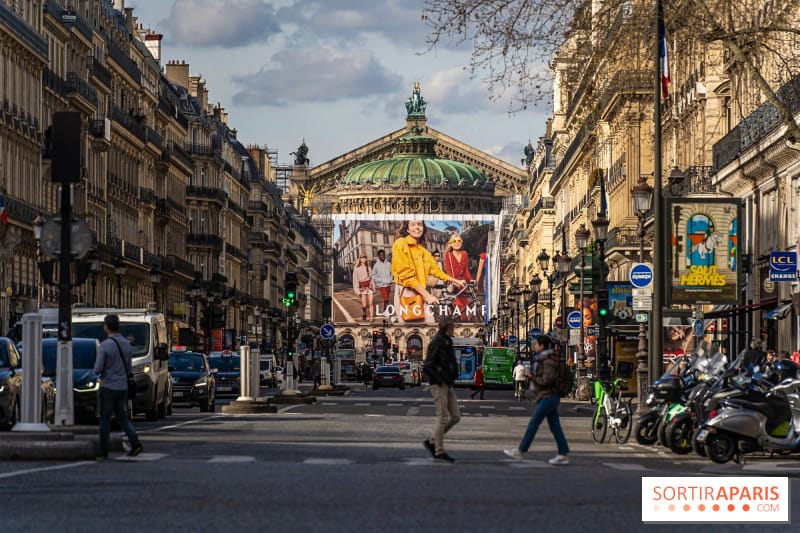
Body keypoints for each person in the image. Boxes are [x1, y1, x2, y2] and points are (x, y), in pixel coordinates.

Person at [504, 335, 570, 465]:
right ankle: (563, 453)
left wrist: (533, 378)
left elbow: (547, 379)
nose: (534, 347)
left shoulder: (547, 361)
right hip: (548, 396)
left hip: (548, 396)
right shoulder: (544, 359)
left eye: (536, 344)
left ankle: (521, 450)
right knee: (555, 426)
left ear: (542, 346)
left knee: (534, 423)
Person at [391, 220, 465, 324]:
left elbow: (437, 271)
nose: (417, 227)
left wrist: (456, 281)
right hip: (407, 292)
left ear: (423, 229)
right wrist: (427, 296)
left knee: (430, 324)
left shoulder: (423, 251)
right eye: (413, 224)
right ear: (407, 229)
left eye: (420, 224)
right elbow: (406, 276)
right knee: (411, 329)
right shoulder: (400, 243)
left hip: (421, 291)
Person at [93, 314, 143, 460]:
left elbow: (98, 368)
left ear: (106, 326)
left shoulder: (105, 345)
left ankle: (103, 450)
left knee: (105, 419)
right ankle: (135, 442)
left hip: (108, 386)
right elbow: (129, 368)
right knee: (122, 416)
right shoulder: (126, 345)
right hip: (122, 387)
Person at [422, 319, 460, 463]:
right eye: (452, 327)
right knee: (443, 417)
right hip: (439, 384)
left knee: (456, 416)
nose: (454, 329)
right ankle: (438, 450)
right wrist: (438, 380)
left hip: (447, 383)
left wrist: (452, 376)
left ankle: (432, 440)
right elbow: (428, 365)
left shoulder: (447, 341)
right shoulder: (437, 342)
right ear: (447, 328)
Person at [443, 232, 473, 321]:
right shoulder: (448, 255)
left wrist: (471, 280)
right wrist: (454, 281)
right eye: (454, 241)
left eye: (459, 240)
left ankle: (462, 322)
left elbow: (466, 269)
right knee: (458, 306)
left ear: (461, 242)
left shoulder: (464, 253)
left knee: (465, 306)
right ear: (451, 243)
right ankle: (457, 322)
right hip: (454, 283)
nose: (457, 243)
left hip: (463, 284)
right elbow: (448, 271)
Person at [352, 254, 375, 321]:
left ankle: (371, 318)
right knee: (364, 305)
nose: (363, 259)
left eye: (365, 257)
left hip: (369, 287)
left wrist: (373, 287)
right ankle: (364, 313)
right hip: (362, 288)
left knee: (371, 303)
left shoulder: (368, 267)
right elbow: (355, 281)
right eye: (362, 258)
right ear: (359, 259)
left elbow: (371, 278)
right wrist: (357, 291)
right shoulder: (356, 269)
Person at [372, 249, 393, 315]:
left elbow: (392, 272)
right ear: (379, 256)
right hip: (381, 285)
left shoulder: (389, 263)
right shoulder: (376, 265)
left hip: (388, 284)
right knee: (386, 298)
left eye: (383, 255)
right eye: (381, 255)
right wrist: (380, 280)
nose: (382, 256)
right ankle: (389, 312)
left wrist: (391, 279)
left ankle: (384, 310)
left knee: (386, 298)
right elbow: (373, 275)